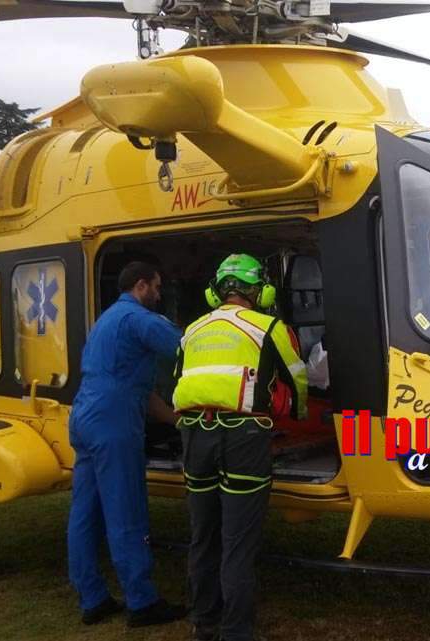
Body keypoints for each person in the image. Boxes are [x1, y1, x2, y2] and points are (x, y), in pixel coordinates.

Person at [172, 254, 308, 641]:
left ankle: (203, 622)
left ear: (215, 292)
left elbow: (177, 380)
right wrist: (297, 417)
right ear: (261, 290)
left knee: (203, 535)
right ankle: (236, 632)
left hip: (194, 436)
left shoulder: (192, 330)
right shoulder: (269, 327)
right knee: (237, 541)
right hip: (243, 438)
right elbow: (297, 380)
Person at [67, 261, 187, 627]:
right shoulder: (140, 320)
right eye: (157, 286)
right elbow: (189, 346)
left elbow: (143, 393)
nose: (160, 293)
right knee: (126, 509)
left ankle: (92, 598)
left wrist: (178, 420)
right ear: (141, 286)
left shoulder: (106, 322)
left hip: (86, 415)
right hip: (113, 421)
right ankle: (141, 601)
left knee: (84, 512)